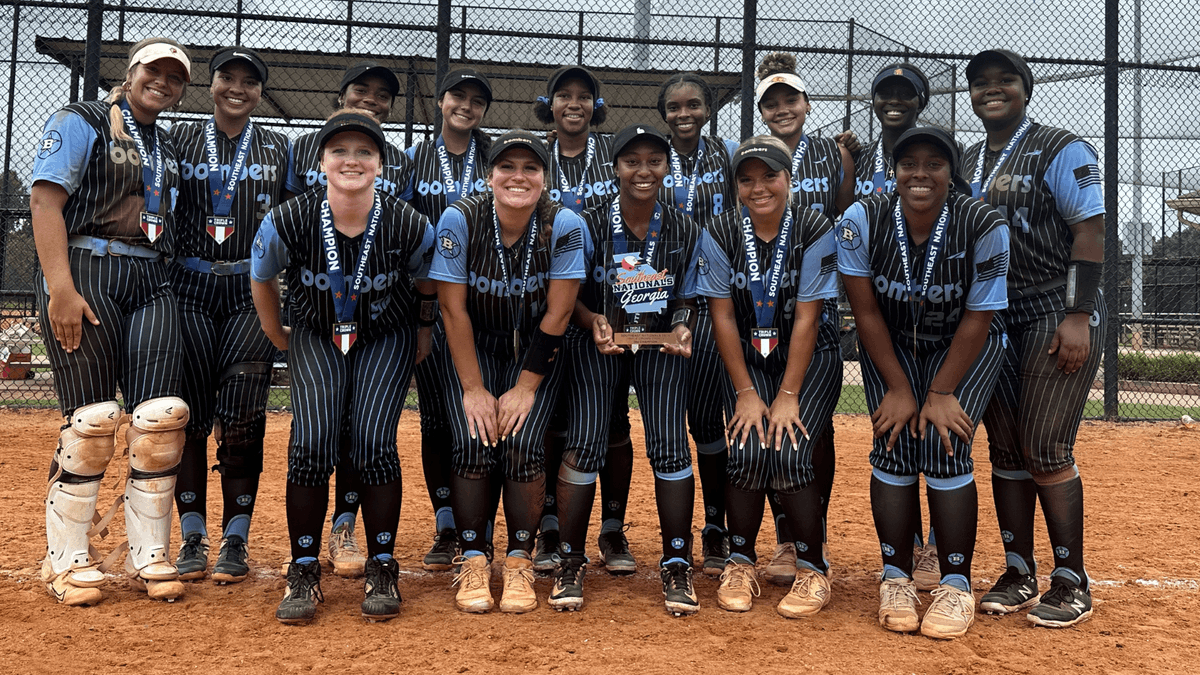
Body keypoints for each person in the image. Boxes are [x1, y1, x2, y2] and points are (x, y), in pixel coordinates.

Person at [251, 110, 436, 624]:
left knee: (374, 442)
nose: (351, 160)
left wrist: (423, 330)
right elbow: (262, 278)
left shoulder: (407, 221)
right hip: (316, 332)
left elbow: (427, 282)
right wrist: (276, 334)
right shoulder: (289, 217)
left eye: (364, 152)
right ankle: (304, 569)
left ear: (380, 163)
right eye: (339, 151)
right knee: (312, 444)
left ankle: (383, 565)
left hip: (385, 335)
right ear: (321, 161)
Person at [31, 37, 192, 605]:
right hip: (87, 268)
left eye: (175, 77)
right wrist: (60, 289)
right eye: (154, 71)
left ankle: (150, 553)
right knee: (93, 421)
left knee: (162, 418)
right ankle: (64, 558)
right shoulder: (81, 119)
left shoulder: (166, 144)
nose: (163, 83)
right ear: (131, 71)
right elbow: (45, 201)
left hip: (151, 277)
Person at [837, 126, 1010, 639]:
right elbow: (866, 311)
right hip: (891, 345)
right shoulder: (862, 219)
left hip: (963, 344)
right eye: (908, 163)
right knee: (891, 440)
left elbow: (979, 315)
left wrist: (938, 393)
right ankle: (896, 577)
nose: (920, 174)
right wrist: (899, 388)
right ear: (893, 171)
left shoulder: (982, 222)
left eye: (934, 164)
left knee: (943, 438)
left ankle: (955, 584)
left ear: (951, 173)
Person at [964, 49, 1106, 629]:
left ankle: (1072, 580)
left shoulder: (1060, 147)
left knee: (1045, 448)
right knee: (1005, 450)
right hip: (995, 315)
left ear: (1026, 89)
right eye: (981, 83)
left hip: (1051, 305)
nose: (992, 90)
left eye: (1005, 80)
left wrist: (1078, 314)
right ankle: (1019, 571)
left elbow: (1089, 231)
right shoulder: (967, 159)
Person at [429, 130, 586, 614]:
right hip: (474, 345)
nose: (518, 176)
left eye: (530, 168)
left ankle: (518, 559)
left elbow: (559, 312)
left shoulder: (564, 223)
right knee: (475, 437)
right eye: (507, 167)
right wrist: (473, 388)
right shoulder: (461, 217)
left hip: (534, 351)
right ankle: (474, 557)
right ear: (489, 176)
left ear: (545, 178)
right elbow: (452, 309)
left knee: (521, 440)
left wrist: (524, 388)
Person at [550, 124, 702, 616]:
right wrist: (591, 319)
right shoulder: (585, 223)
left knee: (670, 445)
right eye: (631, 160)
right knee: (586, 442)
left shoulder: (683, 227)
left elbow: (687, 296)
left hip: (658, 347)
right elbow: (568, 294)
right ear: (614, 167)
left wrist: (681, 324)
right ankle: (571, 560)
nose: (643, 170)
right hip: (599, 341)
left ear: (667, 167)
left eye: (654, 160)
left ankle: (676, 563)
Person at [697, 136, 841, 618]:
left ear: (789, 179)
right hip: (748, 359)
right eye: (747, 179)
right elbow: (721, 316)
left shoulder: (814, 226)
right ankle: (740, 562)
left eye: (769, 176)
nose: (758, 187)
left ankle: (813, 568)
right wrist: (744, 392)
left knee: (789, 448)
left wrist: (788, 394)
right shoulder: (720, 230)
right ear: (735, 186)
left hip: (809, 357)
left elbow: (807, 318)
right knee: (745, 449)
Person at [286, 61, 415, 578]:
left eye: (383, 95)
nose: (372, 99)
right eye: (362, 89)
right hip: (319, 312)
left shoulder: (400, 164)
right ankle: (308, 558)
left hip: (378, 315)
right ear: (340, 95)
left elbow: (409, 250)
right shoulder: (302, 151)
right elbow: (284, 234)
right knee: (320, 430)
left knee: (369, 433)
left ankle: (346, 526)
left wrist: (421, 323)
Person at [168, 47, 289, 585]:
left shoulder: (279, 148)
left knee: (242, 415)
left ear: (261, 91)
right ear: (211, 84)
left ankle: (235, 537)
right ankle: (192, 533)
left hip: (249, 289)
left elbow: (296, 220)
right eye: (227, 78)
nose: (237, 88)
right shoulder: (179, 139)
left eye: (249, 81)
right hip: (188, 285)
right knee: (189, 415)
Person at [755, 51, 855, 585]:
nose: (782, 109)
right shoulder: (753, 156)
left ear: (807, 103)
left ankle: (813, 533)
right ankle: (785, 537)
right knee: (774, 421)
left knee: (815, 427)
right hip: (764, 303)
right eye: (771, 102)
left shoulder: (834, 155)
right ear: (761, 111)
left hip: (819, 300)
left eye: (790, 99)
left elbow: (844, 215)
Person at [851, 62, 942, 592]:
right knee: (895, 434)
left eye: (905, 94)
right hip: (882, 317)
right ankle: (908, 547)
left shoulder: (937, 155)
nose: (894, 101)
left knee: (937, 434)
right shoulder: (859, 157)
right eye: (886, 93)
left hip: (936, 316)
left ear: (920, 102)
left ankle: (935, 545)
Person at [401, 67, 494, 573]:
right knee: (437, 417)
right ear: (440, 101)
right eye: (459, 95)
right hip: (430, 304)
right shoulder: (412, 159)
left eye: (477, 100)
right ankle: (446, 525)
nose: (467, 106)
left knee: (480, 416)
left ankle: (479, 525)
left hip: (485, 305)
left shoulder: (495, 155)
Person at [530, 65, 617, 572]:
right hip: (543, 302)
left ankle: (611, 528)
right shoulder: (535, 156)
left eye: (585, 96)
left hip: (601, 301)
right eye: (564, 95)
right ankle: (548, 527)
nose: (574, 103)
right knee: (546, 421)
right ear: (551, 104)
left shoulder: (611, 156)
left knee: (604, 424)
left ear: (596, 107)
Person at [655, 72, 739, 575]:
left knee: (707, 421)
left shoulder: (727, 155)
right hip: (659, 299)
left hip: (711, 300)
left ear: (708, 110)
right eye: (674, 107)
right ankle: (666, 533)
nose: (683, 114)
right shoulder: (653, 158)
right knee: (664, 417)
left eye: (693, 105)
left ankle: (714, 525)